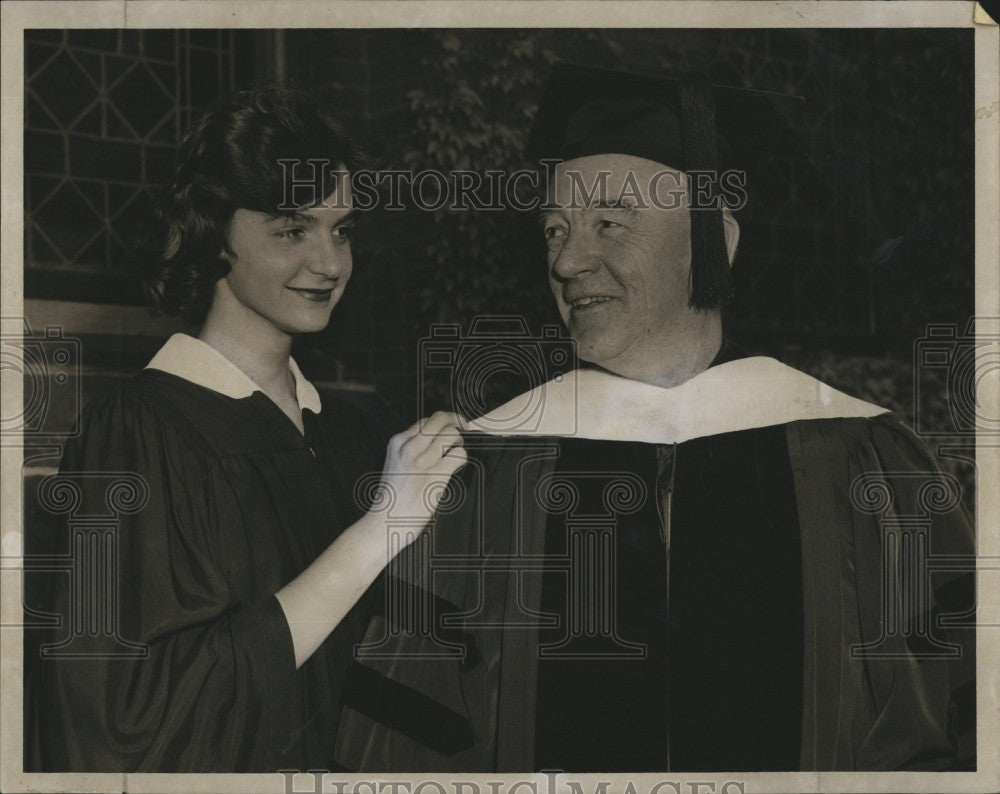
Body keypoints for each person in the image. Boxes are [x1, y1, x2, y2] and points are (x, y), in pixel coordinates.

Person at [333, 65, 976, 772]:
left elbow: (946, 723)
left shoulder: (859, 454)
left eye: (610, 221)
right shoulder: (485, 470)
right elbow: (404, 733)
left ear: (714, 240)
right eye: (554, 230)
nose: (570, 260)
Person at [27, 86, 466, 772]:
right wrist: (383, 527)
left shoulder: (347, 432)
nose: (330, 262)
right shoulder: (140, 432)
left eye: (341, 229)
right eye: (292, 229)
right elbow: (126, 720)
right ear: (214, 234)